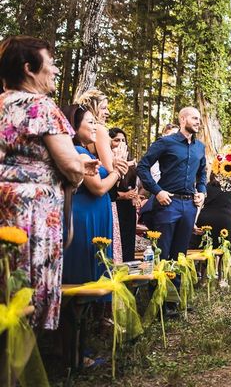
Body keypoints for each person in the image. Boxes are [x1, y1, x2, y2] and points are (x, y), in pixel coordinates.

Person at [0, 36, 98, 330]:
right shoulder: (40, 106)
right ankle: (15, 373)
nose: (55, 70)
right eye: (51, 63)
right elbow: (69, 164)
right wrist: (80, 170)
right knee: (24, 295)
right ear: (29, 68)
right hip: (32, 213)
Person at [137, 107, 206, 310]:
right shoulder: (166, 142)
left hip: (189, 205)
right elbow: (143, 166)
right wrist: (157, 191)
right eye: (194, 118)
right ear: (182, 118)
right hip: (167, 204)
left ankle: (173, 301)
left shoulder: (200, 147)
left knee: (179, 255)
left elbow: (203, 172)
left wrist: (201, 191)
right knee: (162, 253)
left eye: (199, 119)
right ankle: (156, 302)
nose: (198, 122)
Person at [61, 105, 128, 284]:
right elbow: (98, 188)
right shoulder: (80, 153)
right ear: (74, 126)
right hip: (85, 217)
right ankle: (81, 310)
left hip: (93, 213)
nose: (95, 127)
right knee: (85, 274)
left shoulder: (83, 152)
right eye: (90, 122)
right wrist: (117, 172)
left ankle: (89, 310)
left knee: (94, 268)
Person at [190, 172, 231, 285]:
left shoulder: (205, 187)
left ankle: (203, 279)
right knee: (224, 250)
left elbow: (198, 205)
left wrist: (194, 222)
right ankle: (222, 279)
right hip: (224, 220)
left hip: (206, 220)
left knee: (205, 248)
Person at [109, 127, 140, 262]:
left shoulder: (131, 163)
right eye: (116, 140)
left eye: (123, 140)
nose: (121, 143)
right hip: (114, 206)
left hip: (128, 208)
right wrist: (123, 195)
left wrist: (136, 195)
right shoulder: (106, 160)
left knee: (128, 242)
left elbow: (135, 185)